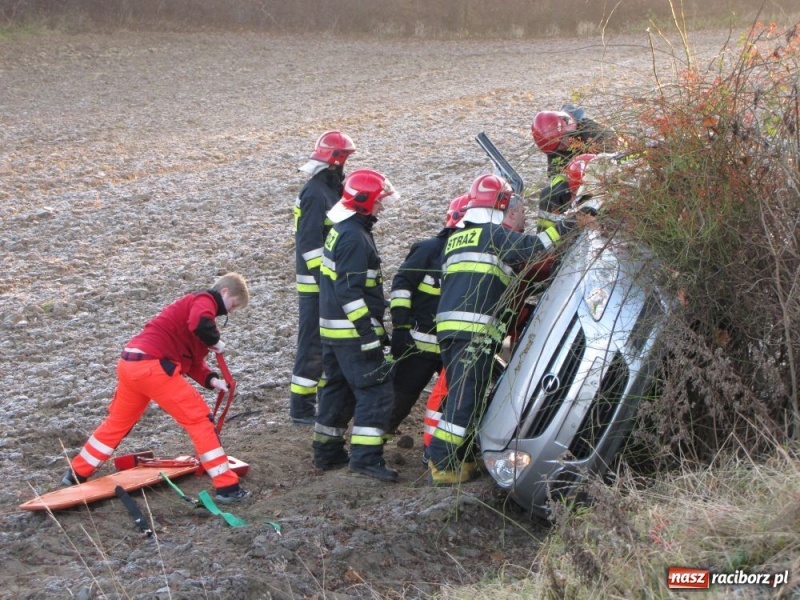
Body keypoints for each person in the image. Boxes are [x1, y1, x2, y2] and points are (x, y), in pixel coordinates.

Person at [428, 174, 573, 486]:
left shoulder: (460, 236)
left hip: (452, 328)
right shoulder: (493, 234)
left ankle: (462, 458)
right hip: (473, 331)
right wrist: (572, 223)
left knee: (464, 396)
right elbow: (537, 247)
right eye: (520, 213)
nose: (521, 220)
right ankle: (442, 464)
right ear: (503, 206)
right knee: (467, 399)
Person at [61, 273, 252, 504]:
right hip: (153, 366)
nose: (230, 312)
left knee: (117, 422)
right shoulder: (204, 301)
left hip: (130, 362)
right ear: (224, 293)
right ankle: (227, 487)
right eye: (233, 305)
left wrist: (213, 380)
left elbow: (192, 362)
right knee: (200, 420)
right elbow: (200, 322)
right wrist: (216, 342)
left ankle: (77, 473)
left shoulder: (191, 311)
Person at [313, 168, 400, 481]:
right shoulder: (354, 237)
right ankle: (365, 458)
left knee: (337, 390)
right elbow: (348, 291)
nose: (381, 207)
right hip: (352, 333)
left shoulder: (343, 228)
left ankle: (327, 451)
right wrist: (369, 333)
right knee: (376, 391)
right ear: (364, 202)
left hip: (333, 331)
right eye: (378, 202)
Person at [290, 131, 357, 425]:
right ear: (336, 161)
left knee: (325, 343)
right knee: (313, 344)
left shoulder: (333, 188)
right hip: (316, 283)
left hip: (328, 281)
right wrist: (324, 281)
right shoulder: (316, 193)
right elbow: (309, 244)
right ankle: (301, 409)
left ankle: (319, 402)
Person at [531, 105, 616, 178]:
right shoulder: (554, 145)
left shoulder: (596, 135)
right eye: (558, 147)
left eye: (563, 140)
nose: (563, 146)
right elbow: (555, 173)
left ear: (571, 129)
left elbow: (611, 166)